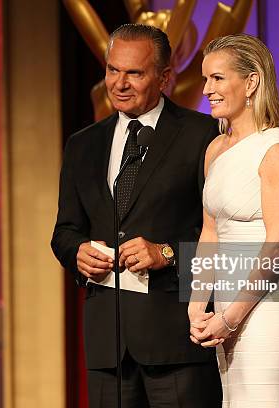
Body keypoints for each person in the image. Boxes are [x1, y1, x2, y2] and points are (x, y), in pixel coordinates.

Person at [51, 24, 222, 407]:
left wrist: (167, 253)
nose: (119, 83)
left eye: (134, 73)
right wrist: (76, 252)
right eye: (113, 70)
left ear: (164, 77)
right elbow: (64, 231)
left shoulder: (203, 135)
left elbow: (226, 235)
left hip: (178, 343)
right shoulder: (83, 145)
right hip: (107, 347)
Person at [188, 34, 279, 407]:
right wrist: (196, 305)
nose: (207, 89)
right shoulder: (216, 148)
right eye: (206, 79)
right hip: (224, 308)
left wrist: (231, 318)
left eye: (217, 78)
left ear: (251, 81)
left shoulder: (276, 150)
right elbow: (210, 233)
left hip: (265, 308)